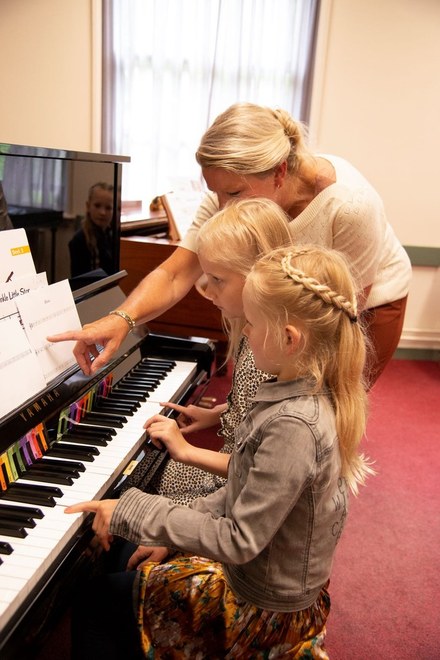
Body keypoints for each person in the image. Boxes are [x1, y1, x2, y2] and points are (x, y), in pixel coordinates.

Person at [65, 244, 373, 659]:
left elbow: (240, 539)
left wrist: (133, 512)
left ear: (288, 338)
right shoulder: (298, 393)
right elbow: (241, 489)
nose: (245, 332)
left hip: (260, 613)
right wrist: (159, 525)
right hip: (260, 583)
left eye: (253, 323)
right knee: (126, 553)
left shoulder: (295, 425)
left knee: (95, 599)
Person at [49, 102, 411, 387]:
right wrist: (121, 319)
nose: (222, 207)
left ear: (280, 172)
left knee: (328, 411)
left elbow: (338, 318)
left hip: (364, 306)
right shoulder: (227, 195)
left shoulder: (349, 206)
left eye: (233, 192)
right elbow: (175, 275)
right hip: (297, 307)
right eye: (215, 192)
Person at [110, 197, 293, 570]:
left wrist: (186, 451)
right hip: (232, 478)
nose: (205, 288)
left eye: (218, 280)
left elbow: (257, 471)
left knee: (134, 483)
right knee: (138, 476)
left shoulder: (269, 349)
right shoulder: (254, 329)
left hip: (232, 493)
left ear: (258, 276)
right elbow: (260, 407)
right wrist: (218, 414)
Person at [69, 182, 115, 277]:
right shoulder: (79, 240)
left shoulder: (112, 236)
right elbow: (80, 282)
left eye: (108, 208)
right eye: (97, 206)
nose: (102, 212)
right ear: (88, 206)